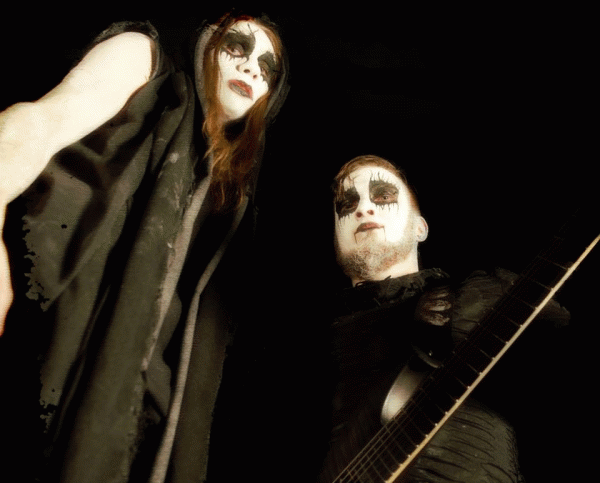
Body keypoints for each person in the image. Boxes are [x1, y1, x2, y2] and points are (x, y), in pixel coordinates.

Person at [0, 11, 289, 483]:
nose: (251, 67)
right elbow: (34, 124)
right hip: (36, 365)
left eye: (267, 67)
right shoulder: (145, 60)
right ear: (206, 45)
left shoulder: (231, 203)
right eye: (236, 46)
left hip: (135, 433)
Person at [317, 155, 569, 482]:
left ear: (420, 228)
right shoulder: (304, 353)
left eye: (383, 196)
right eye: (347, 204)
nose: (364, 209)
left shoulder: (479, 297)